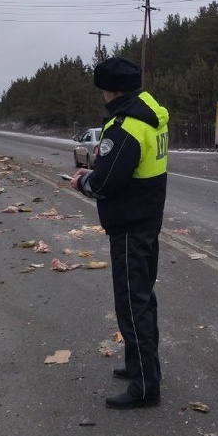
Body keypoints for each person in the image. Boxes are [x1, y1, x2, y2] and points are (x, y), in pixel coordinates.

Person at [69, 56, 169, 410]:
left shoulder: (125, 127)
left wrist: (83, 182)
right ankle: (138, 364)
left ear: (108, 89)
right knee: (142, 297)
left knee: (131, 302)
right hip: (147, 219)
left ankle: (145, 385)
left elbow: (107, 183)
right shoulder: (150, 113)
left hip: (129, 225)